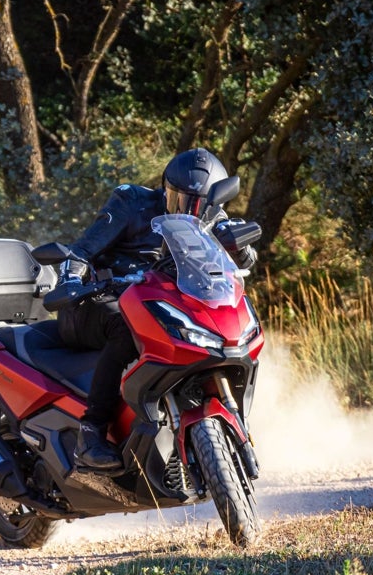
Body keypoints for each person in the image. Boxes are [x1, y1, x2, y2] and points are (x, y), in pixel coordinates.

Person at [59, 148, 258, 472]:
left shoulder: (212, 219)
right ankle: (91, 432)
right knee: (125, 328)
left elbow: (241, 261)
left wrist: (241, 247)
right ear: (165, 187)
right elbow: (80, 251)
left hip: (158, 303)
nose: (186, 210)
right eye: (178, 199)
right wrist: (69, 280)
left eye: (196, 204)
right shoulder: (131, 202)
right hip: (97, 300)